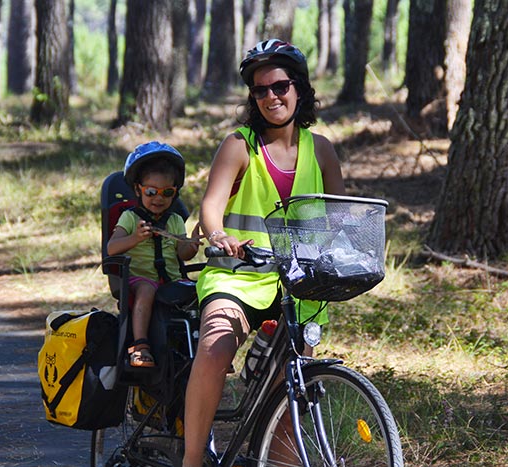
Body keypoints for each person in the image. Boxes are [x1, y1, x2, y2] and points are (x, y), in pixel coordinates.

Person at [182, 39, 345, 466]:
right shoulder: (239, 145)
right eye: (260, 90)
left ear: (299, 89)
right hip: (237, 275)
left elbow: (341, 217)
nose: (271, 96)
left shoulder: (322, 150)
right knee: (215, 349)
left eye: (280, 86)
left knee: (291, 387)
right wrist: (218, 235)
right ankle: (192, 458)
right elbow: (211, 206)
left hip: (298, 285)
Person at [107, 141, 201, 368]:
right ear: (138, 189)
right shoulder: (130, 218)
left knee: (203, 290)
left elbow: (183, 254)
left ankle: (202, 350)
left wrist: (193, 243)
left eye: (167, 193)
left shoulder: (175, 220)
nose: (159, 199)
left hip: (171, 279)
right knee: (148, 289)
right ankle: (140, 345)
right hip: (138, 279)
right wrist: (135, 238)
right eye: (151, 192)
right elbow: (111, 248)